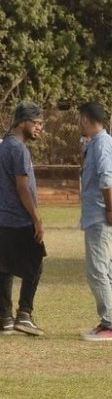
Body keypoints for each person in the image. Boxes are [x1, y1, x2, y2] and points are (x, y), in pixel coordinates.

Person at [78, 101, 112, 341]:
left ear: (86, 119)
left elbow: (108, 179)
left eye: (79, 119)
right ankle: (108, 321)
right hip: (100, 215)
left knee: (97, 271)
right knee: (104, 270)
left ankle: (110, 325)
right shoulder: (101, 143)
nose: (79, 124)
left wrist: (109, 208)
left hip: (100, 216)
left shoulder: (101, 145)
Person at [0, 101, 47, 336]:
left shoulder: (3, 145)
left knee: (4, 267)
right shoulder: (18, 148)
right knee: (37, 260)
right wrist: (36, 218)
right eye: (36, 123)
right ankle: (24, 314)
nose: (39, 128)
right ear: (22, 122)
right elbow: (21, 186)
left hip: (3, 219)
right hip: (18, 219)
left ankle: (5, 318)